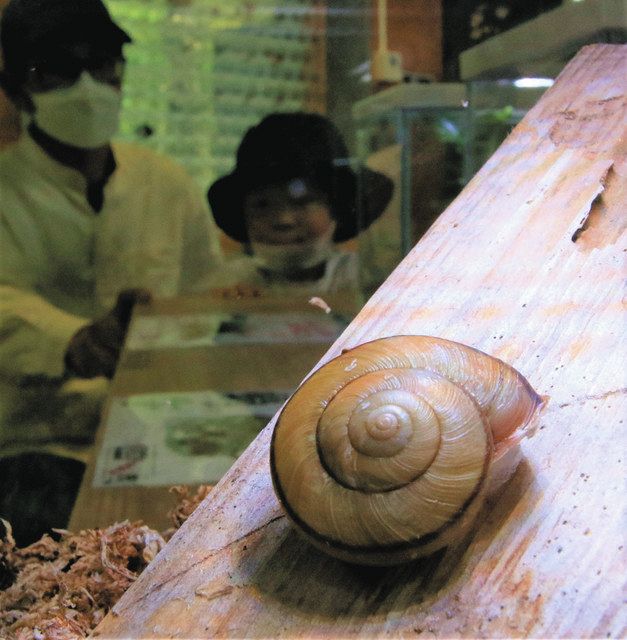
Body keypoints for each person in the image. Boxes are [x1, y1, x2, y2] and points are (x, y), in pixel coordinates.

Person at [0, 0, 223, 544]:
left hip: (161, 434)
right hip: (34, 444)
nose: (88, 88)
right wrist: (78, 342)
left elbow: (207, 300)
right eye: (57, 69)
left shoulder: (166, 184)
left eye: (101, 65)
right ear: (16, 88)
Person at [207, 112, 393, 299]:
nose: (284, 220)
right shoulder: (232, 280)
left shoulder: (361, 277)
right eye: (262, 205)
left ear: (336, 207)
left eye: (303, 203)